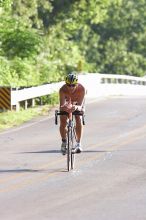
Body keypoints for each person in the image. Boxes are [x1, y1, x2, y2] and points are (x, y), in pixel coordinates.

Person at [59, 72, 86, 155]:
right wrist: (65, 108)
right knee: (63, 120)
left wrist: (76, 107)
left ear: (77, 84)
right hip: (67, 104)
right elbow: (61, 106)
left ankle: (78, 143)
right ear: (66, 84)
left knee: (78, 118)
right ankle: (64, 142)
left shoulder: (82, 89)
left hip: (77, 104)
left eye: (73, 85)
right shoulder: (62, 90)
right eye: (68, 85)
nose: (71, 87)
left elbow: (80, 105)